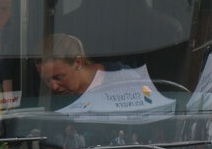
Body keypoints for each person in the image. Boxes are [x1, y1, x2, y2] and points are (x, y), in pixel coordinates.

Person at [36, 33, 173, 125]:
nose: (53, 86)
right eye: (47, 81)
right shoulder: (53, 100)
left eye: (58, 77)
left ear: (78, 62)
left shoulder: (126, 80)